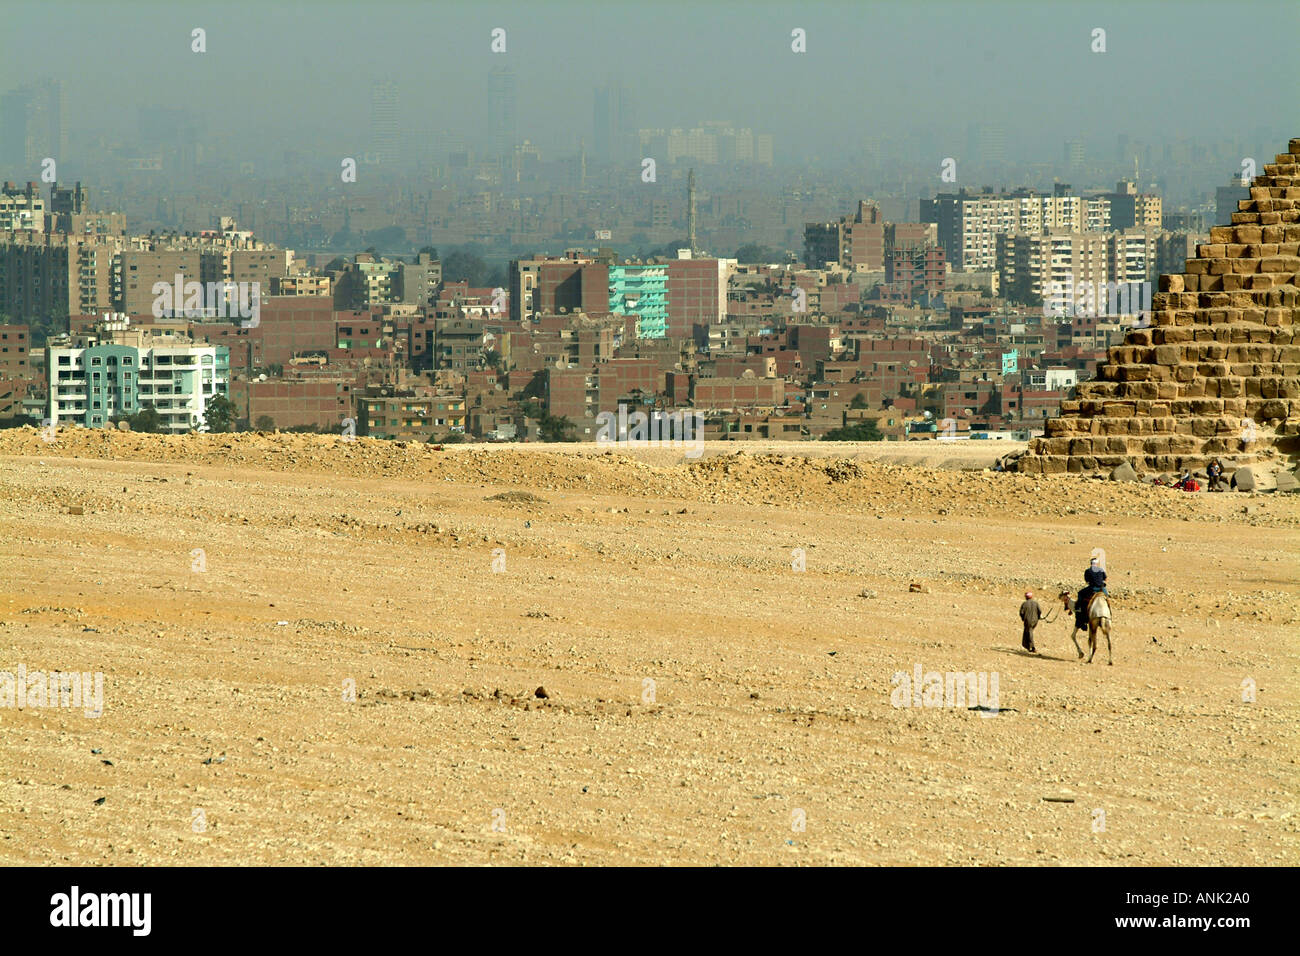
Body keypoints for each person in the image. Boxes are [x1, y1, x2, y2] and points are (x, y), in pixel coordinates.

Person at [1076, 558, 1108, 630]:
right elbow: (1105, 579)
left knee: (1080, 594)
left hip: (1092, 589)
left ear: (1091, 564)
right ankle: (1109, 614)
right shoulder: (1101, 570)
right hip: (1102, 588)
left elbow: (1087, 581)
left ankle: (1078, 608)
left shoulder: (1088, 571)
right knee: (1107, 597)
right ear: (1097, 564)